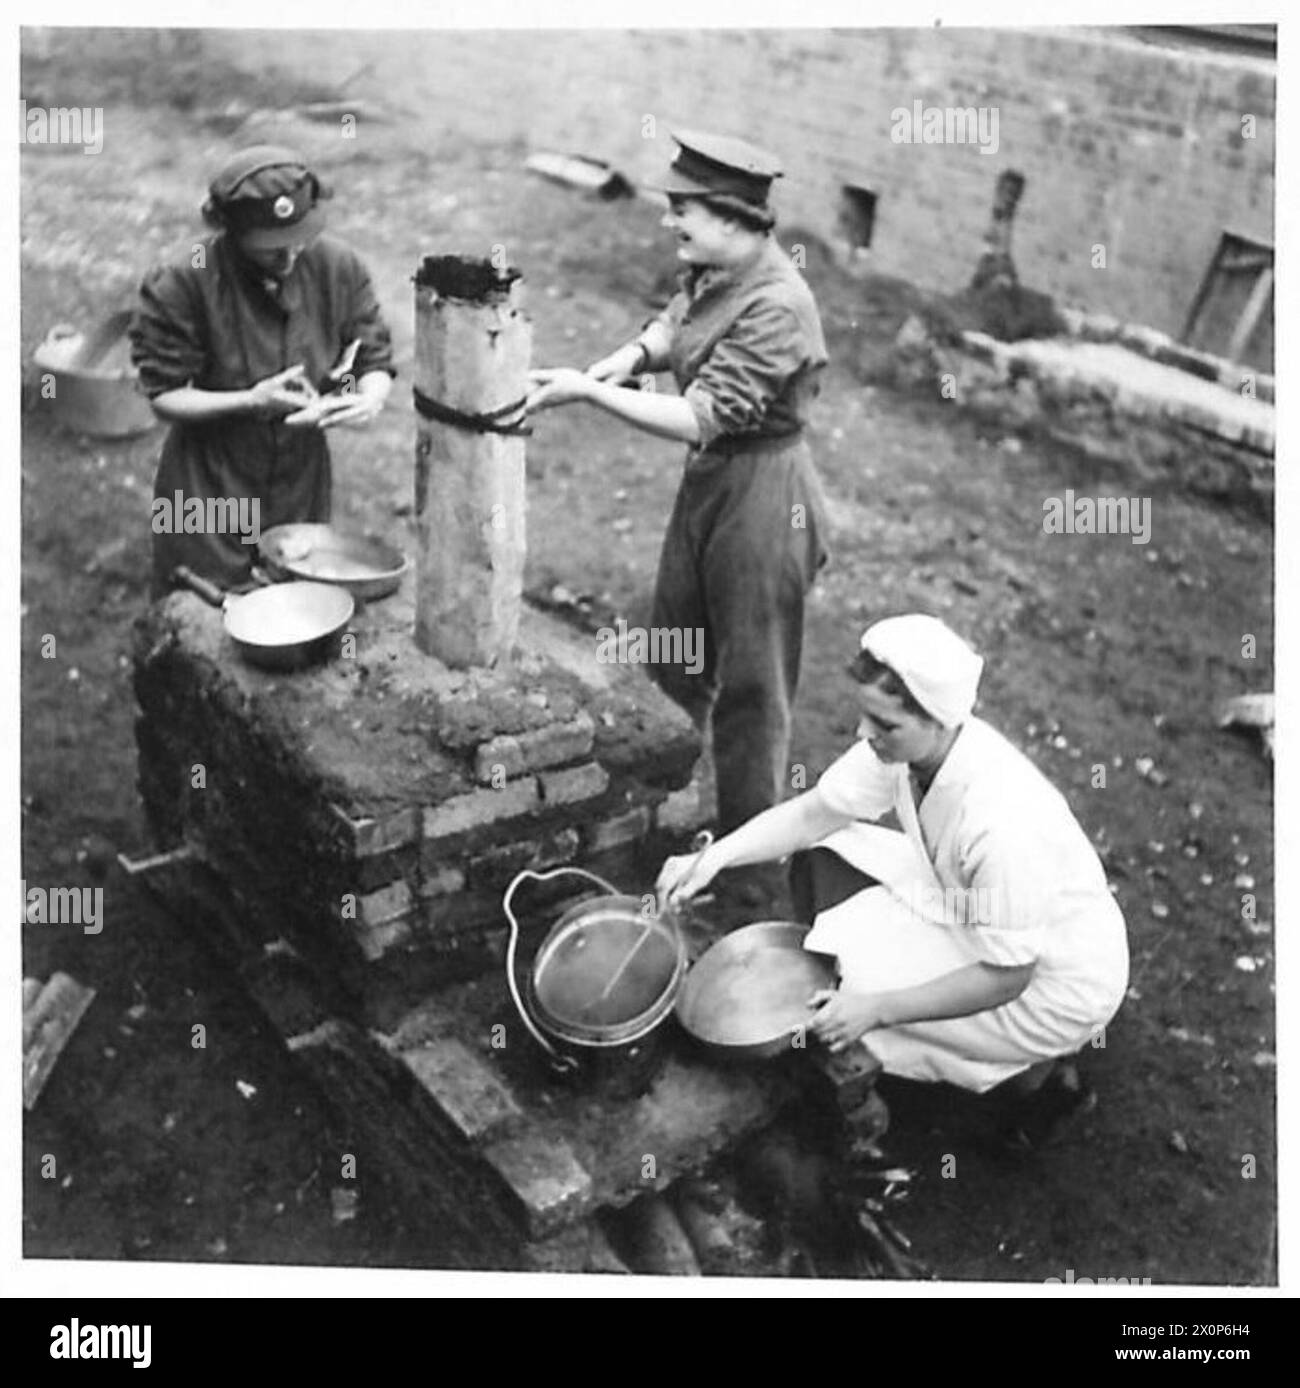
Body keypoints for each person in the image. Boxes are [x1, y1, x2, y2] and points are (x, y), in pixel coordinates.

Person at [656, 614, 1130, 1126]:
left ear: (938, 720)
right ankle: (917, 1035)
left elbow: (1008, 976)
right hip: (970, 911)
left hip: (1052, 982)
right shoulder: (908, 754)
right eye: (865, 716)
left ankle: (1035, 1080)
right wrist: (712, 858)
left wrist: (878, 1007)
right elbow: (815, 813)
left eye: (884, 725)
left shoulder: (1001, 821)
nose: (864, 733)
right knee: (827, 851)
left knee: (844, 987)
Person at [526, 130, 829, 907]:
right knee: (675, 656)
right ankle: (666, 829)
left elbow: (702, 416)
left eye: (683, 210)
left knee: (753, 696)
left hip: (766, 495)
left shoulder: (780, 305)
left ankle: (750, 888)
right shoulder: (715, 266)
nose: (671, 223)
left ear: (733, 218)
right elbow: (676, 321)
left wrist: (588, 392)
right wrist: (628, 358)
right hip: (710, 486)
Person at [130, 145, 395, 598]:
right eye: (271, 250)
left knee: (296, 606)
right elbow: (164, 394)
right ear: (231, 232)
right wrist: (251, 399)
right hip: (209, 487)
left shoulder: (338, 266)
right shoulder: (184, 279)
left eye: (299, 240)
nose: (290, 258)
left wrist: (370, 396)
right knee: (199, 616)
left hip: (299, 480)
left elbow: (374, 356)